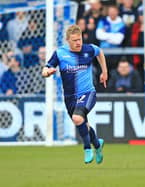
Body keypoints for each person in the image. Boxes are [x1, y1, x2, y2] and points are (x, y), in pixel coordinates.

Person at [42, 25, 108, 164]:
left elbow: (100, 52)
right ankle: (97, 144)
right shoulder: (60, 53)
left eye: (79, 39)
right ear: (67, 40)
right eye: (74, 40)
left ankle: (87, 148)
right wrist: (46, 73)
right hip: (70, 97)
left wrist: (104, 71)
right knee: (84, 124)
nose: (78, 43)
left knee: (77, 118)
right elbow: (47, 67)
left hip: (88, 92)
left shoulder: (88, 49)